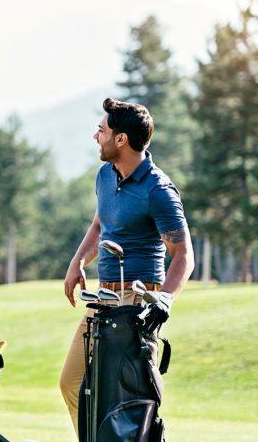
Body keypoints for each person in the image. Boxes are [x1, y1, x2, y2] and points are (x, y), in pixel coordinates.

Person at [59, 98, 194, 432]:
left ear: (121, 140)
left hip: (136, 304)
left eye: (101, 130)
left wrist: (165, 298)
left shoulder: (158, 190)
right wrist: (78, 263)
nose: (95, 136)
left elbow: (184, 253)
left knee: (125, 398)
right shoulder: (106, 174)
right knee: (73, 383)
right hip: (103, 299)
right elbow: (100, 225)